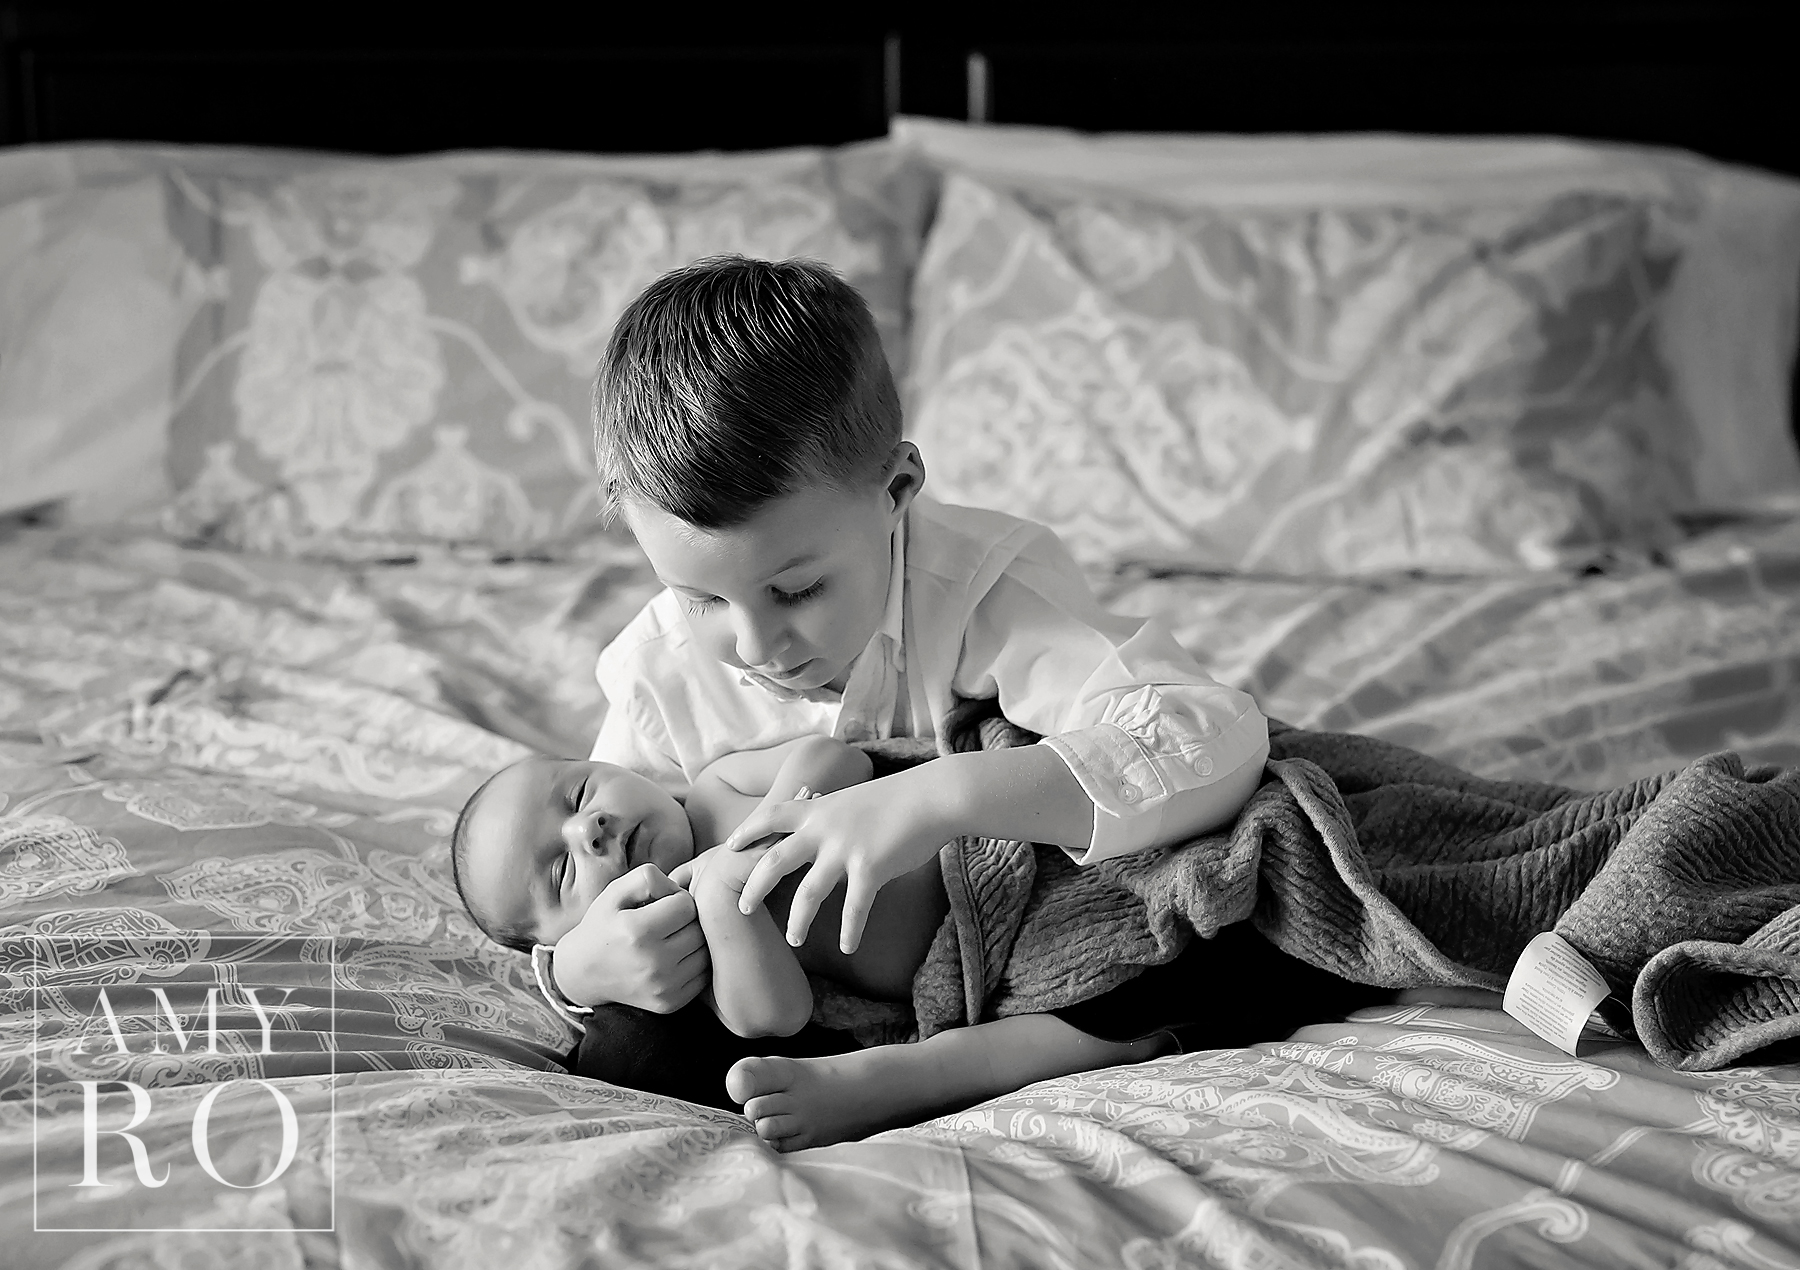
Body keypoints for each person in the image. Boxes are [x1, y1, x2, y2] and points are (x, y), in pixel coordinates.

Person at [549, 254, 1273, 1031]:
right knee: (631, 1042)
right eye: (699, 599)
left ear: (894, 493)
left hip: (998, 952)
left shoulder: (986, 590)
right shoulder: (656, 671)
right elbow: (579, 884)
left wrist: (935, 799)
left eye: (796, 590)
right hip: (781, 995)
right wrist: (572, 970)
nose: (757, 644)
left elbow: (1210, 734)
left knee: (1220, 943)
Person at [451, 734, 1378, 1149]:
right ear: (567, 933)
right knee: (1158, 985)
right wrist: (729, 902)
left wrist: (792, 805)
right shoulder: (688, 934)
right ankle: (906, 1081)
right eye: (563, 872)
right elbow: (773, 1012)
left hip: (997, 857)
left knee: (1203, 873)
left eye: (579, 798)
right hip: (981, 968)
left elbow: (840, 756)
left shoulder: (715, 782)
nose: (595, 833)